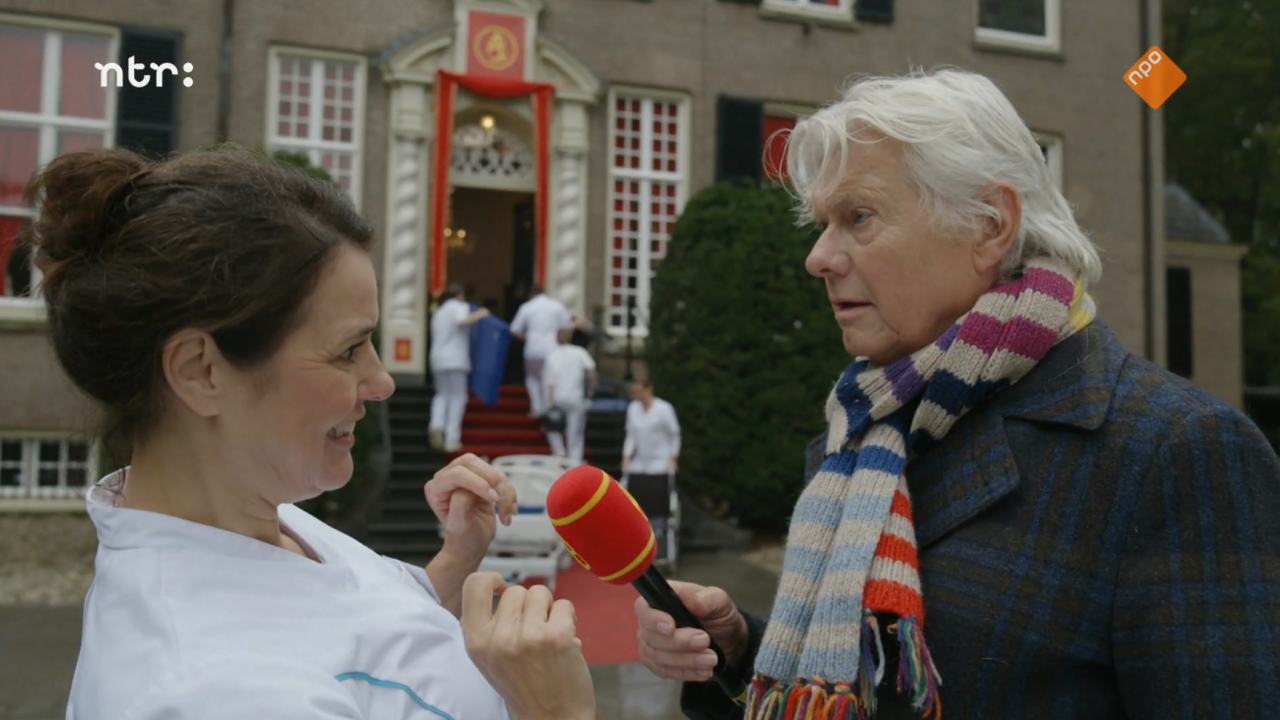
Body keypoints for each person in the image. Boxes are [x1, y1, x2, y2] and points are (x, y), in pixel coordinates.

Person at [634, 69, 1280, 720]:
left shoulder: (1174, 453)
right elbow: (887, 675)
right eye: (823, 223)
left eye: (857, 217)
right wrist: (745, 649)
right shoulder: (865, 431)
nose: (818, 257)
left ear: (990, 226)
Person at [24, 146, 595, 719]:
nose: (381, 382)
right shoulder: (210, 693)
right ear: (200, 371)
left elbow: (354, 632)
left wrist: (454, 560)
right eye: (348, 350)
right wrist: (556, 711)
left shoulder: (250, 509)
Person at [429, 283, 489, 452]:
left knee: (441, 395)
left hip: (437, 358)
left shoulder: (438, 312)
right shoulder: (460, 306)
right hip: (455, 359)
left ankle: (436, 423)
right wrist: (481, 313)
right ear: (460, 295)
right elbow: (462, 320)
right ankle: (452, 439)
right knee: (458, 397)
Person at [510, 285, 571, 417]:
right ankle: (548, 407)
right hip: (552, 349)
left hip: (533, 349)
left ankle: (536, 407)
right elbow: (566, 326)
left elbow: (514, 329)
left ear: (530, 295)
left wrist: (527, 337)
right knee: (549, 379)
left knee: (532, 378)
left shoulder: (527, 307)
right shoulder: (556, 306)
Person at [542, 328, 597, 465]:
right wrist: (590, 393)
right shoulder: (580, 352)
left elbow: (550, 382)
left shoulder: (552, 355)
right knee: (576, 432)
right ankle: (574, 461)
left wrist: (550, 403)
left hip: (558, 396)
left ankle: (559, 452)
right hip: (575, 397)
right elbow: (591, 371)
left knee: (553, 427)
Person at [622, 379, 681, 477]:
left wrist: (674, 457)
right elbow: (631, 435)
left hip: (661, 463)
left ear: (648, 389)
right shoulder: (632, 408)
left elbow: (674, 435)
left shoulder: (664, 408)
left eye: (638, 391)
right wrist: (626, 457)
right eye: (634, 392)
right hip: (639, 463)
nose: (636, 394)